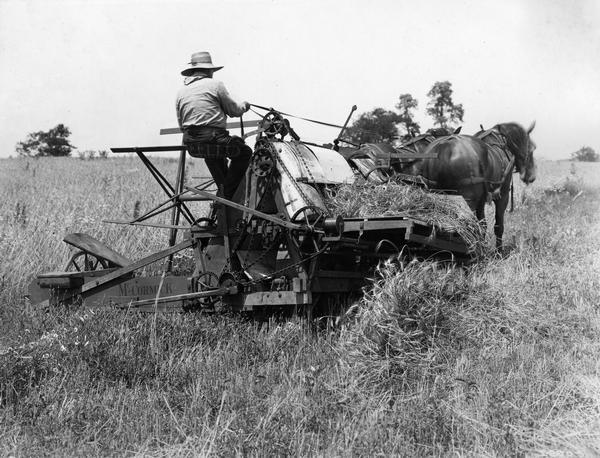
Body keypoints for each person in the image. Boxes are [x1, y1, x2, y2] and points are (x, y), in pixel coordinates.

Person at [176, 51, 252, 200]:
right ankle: (226, 196)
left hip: (191, 142)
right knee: (245, 152)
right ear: (209, 70)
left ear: (193, 71)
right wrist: (243, 106)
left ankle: (224, 193)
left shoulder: (181, 91)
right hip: (214, 137)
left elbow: (181, 124)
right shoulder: (215, 85)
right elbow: (233, 110)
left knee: (211, 154)